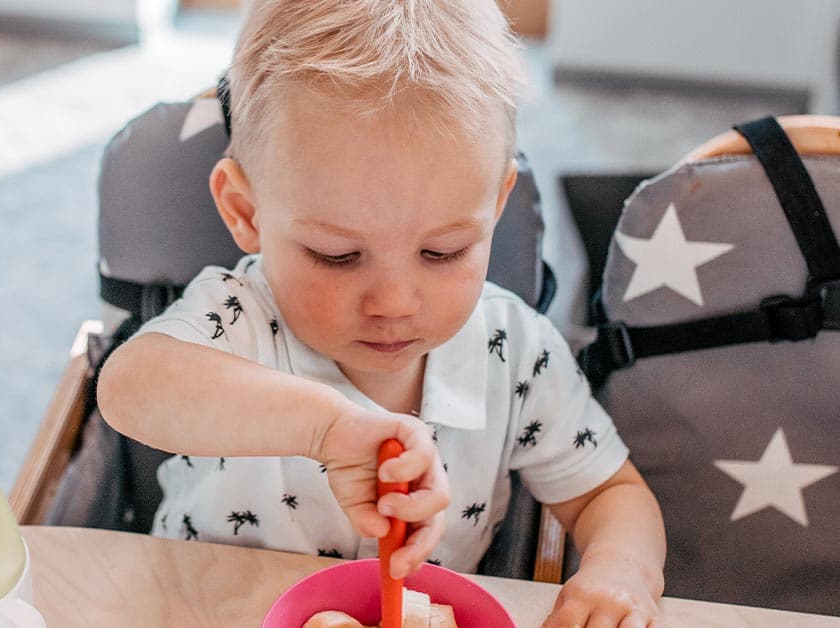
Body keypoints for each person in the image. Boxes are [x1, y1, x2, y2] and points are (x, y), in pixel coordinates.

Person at [98, 0, 666, 625]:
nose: (394, 303)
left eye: (442, 251)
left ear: (496, 206)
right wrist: (324, 429)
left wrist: (622, 573)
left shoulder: (516, 351)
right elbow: (128, 387)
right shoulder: (237, 318)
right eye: (337, 256)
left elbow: (610, 494)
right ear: (246, 211)